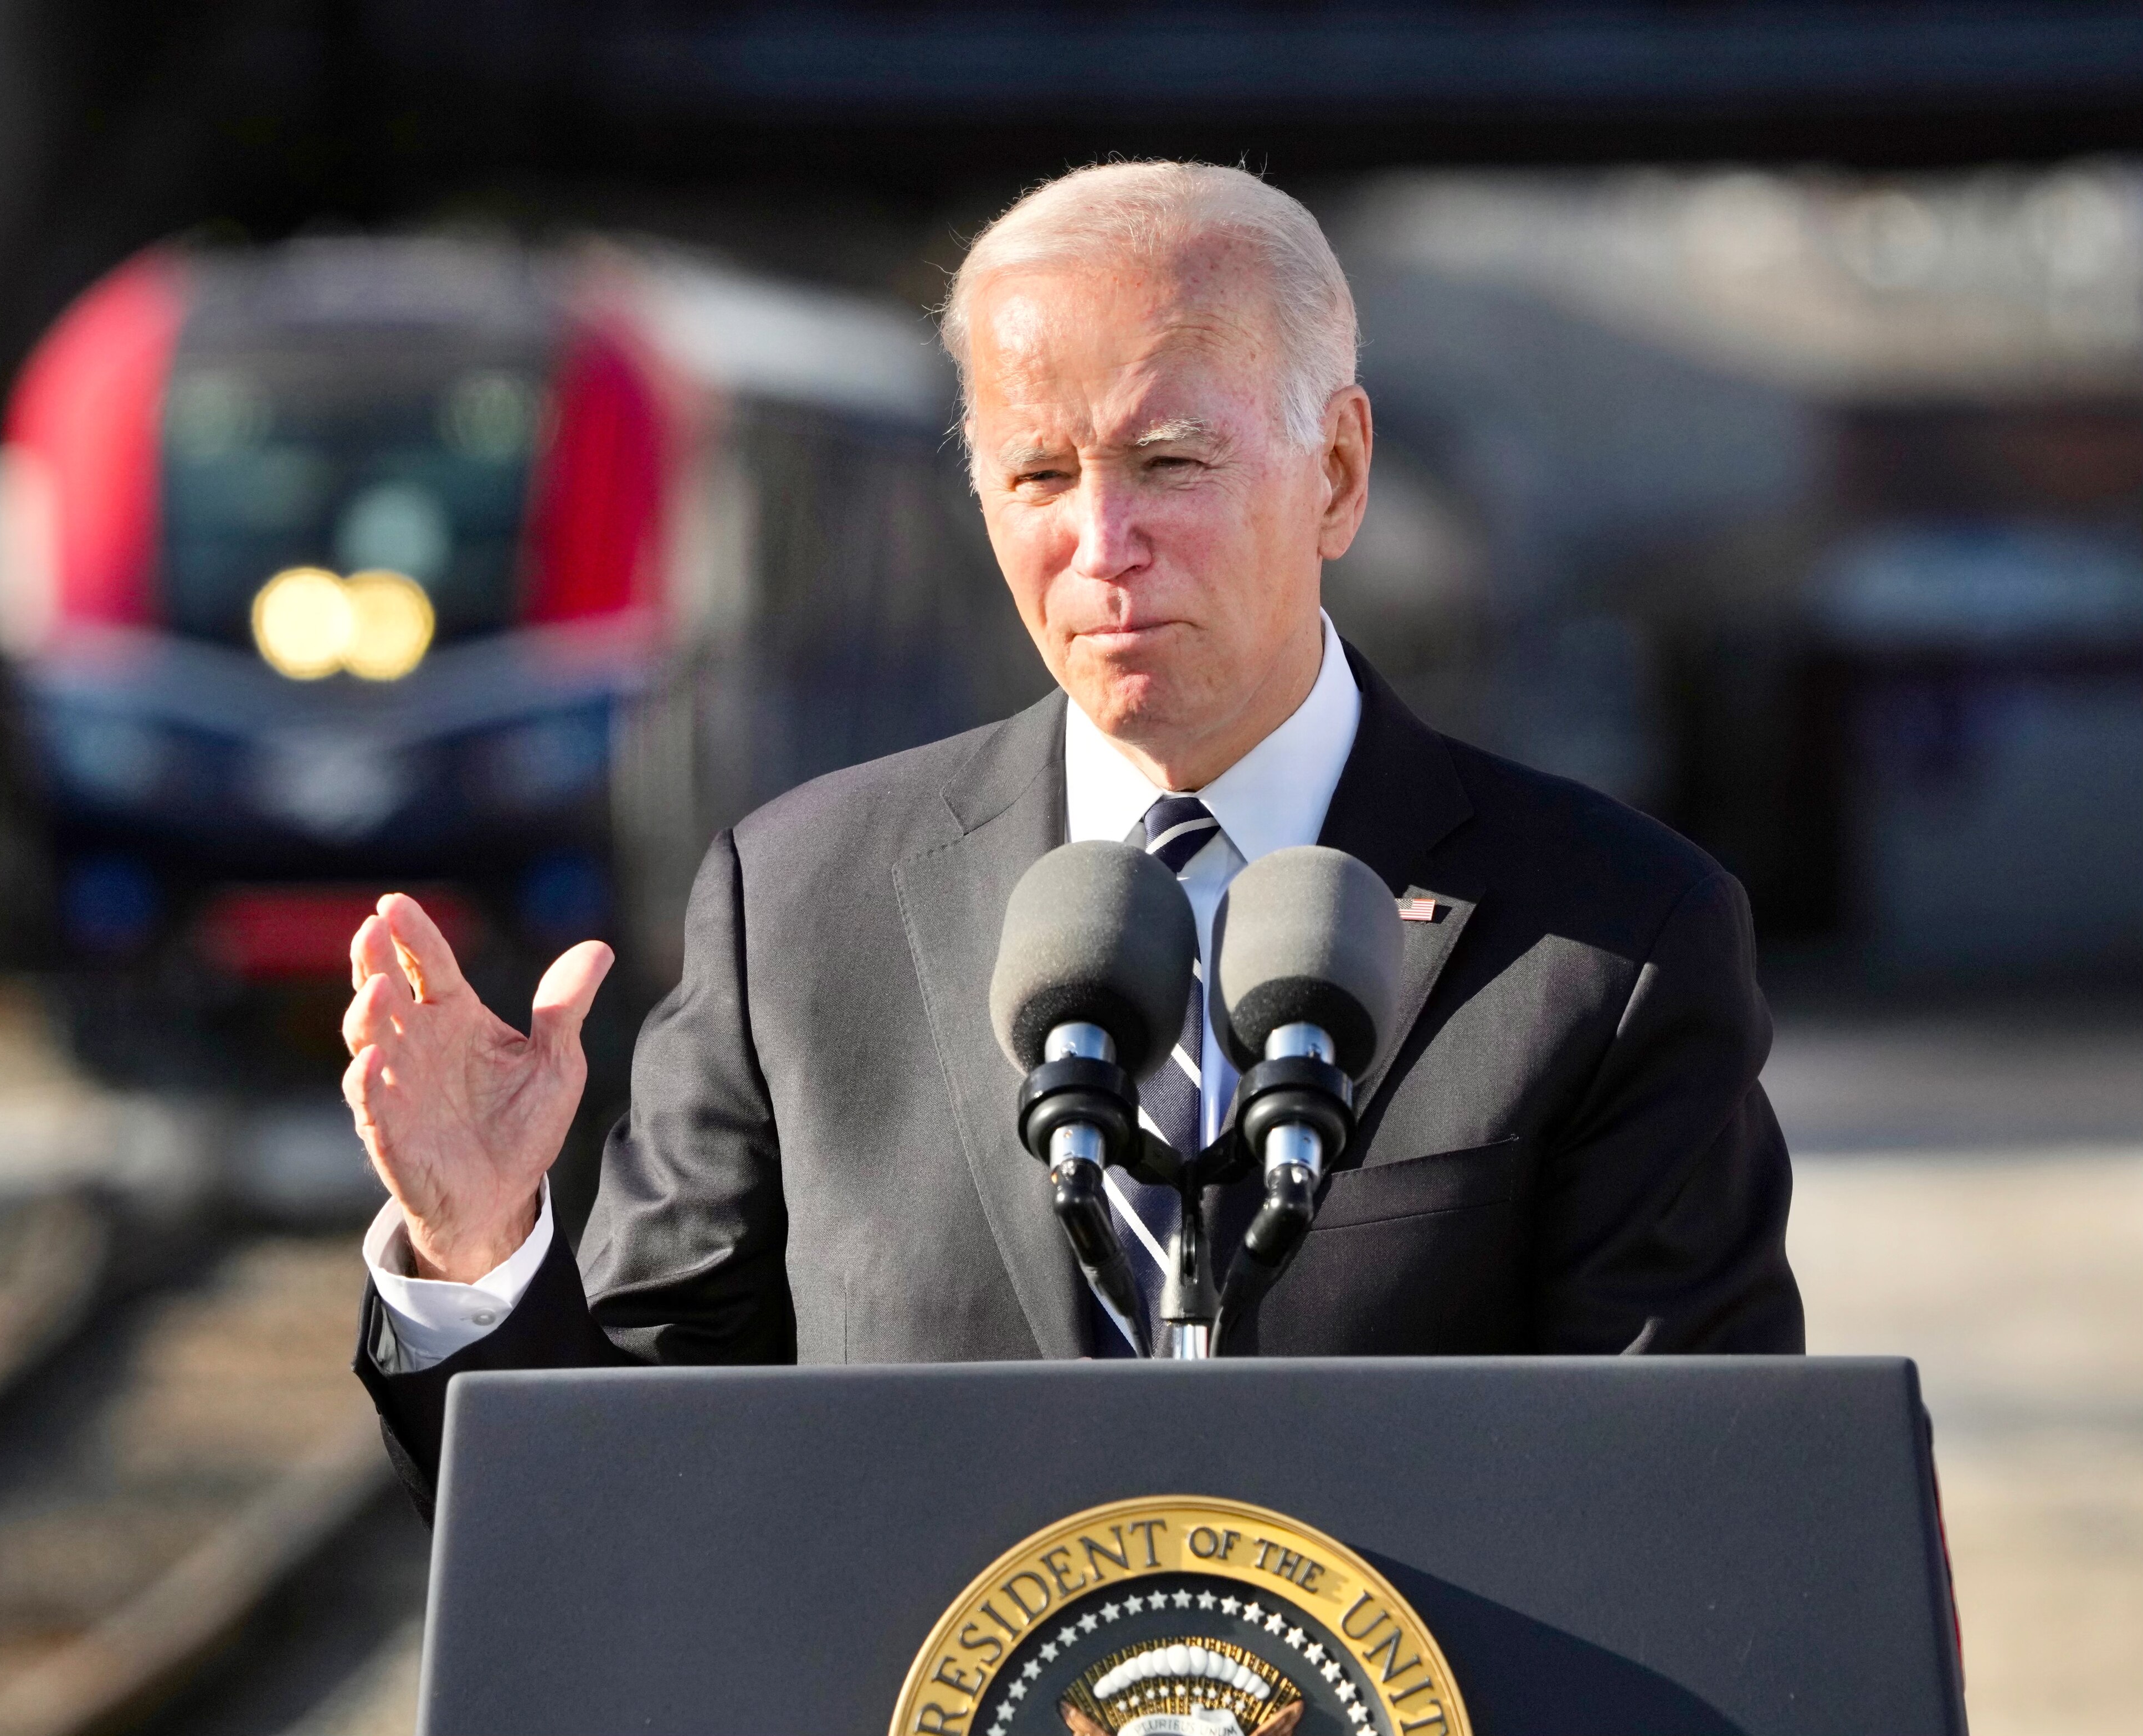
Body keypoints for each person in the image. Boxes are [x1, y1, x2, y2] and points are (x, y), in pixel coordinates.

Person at [340, 162, 1803, 1517]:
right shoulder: (792, 909)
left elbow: (1687, 1514)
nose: (1102, 544)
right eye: (1040, 475)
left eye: (1167, 462)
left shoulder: (1610, 939)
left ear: (1339, 472)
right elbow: (621, 1508)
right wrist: (479, 1247)